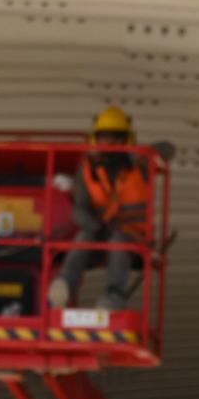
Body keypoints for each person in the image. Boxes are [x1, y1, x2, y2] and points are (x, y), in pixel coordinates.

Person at [62, 102, 157, 312]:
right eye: (106, 136)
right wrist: (92, 225)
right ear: (97, 138)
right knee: (82, 239)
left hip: (132, 236)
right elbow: (79, 209)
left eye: (117, 136)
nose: (111, 142)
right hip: (100, 231)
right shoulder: (88, 169)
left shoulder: (141, 166)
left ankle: (113, 297)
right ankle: (63, 288)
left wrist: (149, 152)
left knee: (118, 241)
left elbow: (168, 149)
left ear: (127, 139)